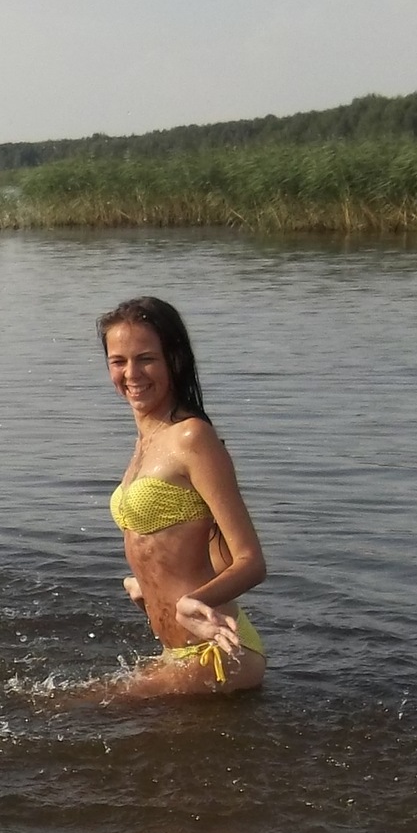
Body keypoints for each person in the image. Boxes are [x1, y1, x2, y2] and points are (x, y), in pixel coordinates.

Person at [97, 296, 269, 696]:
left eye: (146, 359)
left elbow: (251, 562)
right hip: (176, 652)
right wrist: (146, 587)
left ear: (174, 359)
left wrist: (191, 602)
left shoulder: (192, 437)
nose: (131, 373)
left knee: (68, 707)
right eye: (118, 361)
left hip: (218, 652)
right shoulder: (144, 443)